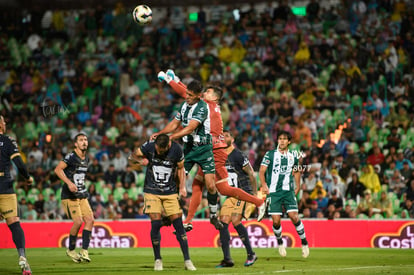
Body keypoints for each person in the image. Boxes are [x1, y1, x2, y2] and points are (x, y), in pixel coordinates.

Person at [156, 69, 265, 230]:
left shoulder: (207, 105)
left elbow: (187, 93)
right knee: (198, 184)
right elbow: (190, 94)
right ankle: (191, 220)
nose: (204, 93)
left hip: (214, 150)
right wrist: (175, 80)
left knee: (222, 188)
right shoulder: (210, 106)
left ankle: (258, 202)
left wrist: (170, 80)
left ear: (215, 97)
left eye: (208, 91)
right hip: (210, 149)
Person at [128, 134, 196, 271]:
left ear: (168, 146)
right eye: (157, 149)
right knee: (156, 222)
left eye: (160, 150)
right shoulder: (149, 146)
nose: (157, 152)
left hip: (170, 191)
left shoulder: (177, 149)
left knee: (178, 225)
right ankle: (158, 259)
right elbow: (131, 157)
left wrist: (182, 186)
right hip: (151, 190)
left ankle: (187, 260)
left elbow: (181, 168)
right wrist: (140, 162)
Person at [259, 130, 310, 258]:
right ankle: (280, 243)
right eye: (279, 138)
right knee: (276, 221)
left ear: (289, 141)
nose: (281, 141)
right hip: (274, 192)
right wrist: (264, 184)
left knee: (294, 217)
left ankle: (304, 243)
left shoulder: (293, 155)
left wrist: (298, 186)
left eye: (284, 139)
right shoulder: (270, 154)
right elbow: (261, 171)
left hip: (288, 191)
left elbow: (297, 171)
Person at [216, 130, 258, 268]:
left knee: (235, 219)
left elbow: (251, 174)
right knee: (222, 223)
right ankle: (227, 259)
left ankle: (251, 254)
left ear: (232, 140)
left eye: (227, 136)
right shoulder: (219, 156)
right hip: (231, 195)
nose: (224, 138)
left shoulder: (238, 155)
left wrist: (255, 195)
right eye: (222, 136)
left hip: (243, 192)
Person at [0, 115, 33, 275]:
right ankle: (22, 258)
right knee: (14, 224)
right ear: (0, 125)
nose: (5, 124)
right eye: (4, 122)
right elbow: (18, 163)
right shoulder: (8, 141)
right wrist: (28, 178)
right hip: (5, 187)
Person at [54, 132, 94, 263]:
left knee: (90, 220)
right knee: (78, 222)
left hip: (82, 194)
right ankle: (71, 250)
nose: (84, 142)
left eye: (86, 140)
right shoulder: (71, 156)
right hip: (69, 195)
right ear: (76, 144)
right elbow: (58, 170)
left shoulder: (86, 158)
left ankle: (84, 251)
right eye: (81, 140)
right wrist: (69, 183)